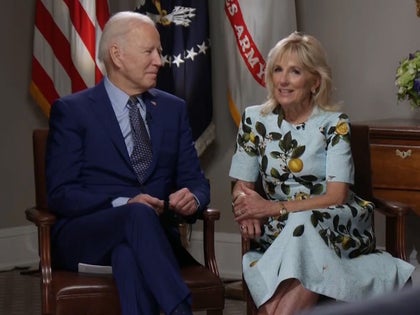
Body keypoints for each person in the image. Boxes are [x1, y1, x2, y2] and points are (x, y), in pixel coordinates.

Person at [229, 31, 414, 315]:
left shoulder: (334, 124)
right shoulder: (255, 119)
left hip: (336, 221)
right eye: (278, 69)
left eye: (295, 71)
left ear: (315, 82)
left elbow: (336, 195)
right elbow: (242, 185)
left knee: (303, 224)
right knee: (300, 234)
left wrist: (269, 207)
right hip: (279, 228)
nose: (283, 80)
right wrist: (246, 205)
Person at [46, 12, 210, 315]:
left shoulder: (173, 110)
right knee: (135, 213)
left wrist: (194, 197)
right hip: (88, 235)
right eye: (149, 51)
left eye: (159, 51)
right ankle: (181, 310)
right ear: (117, 56)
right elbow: (60, 193)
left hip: (154, 238)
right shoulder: (72, 111)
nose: (159, 61)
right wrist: (124, 203)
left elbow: (196, 181)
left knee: (128, 256)